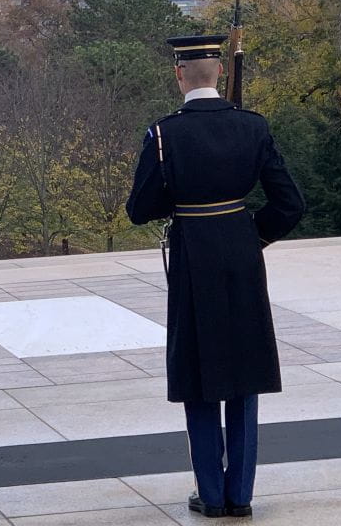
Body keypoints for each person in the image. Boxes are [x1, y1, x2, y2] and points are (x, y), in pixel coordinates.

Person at [126, 35, 304, 518]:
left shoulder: (165, 134)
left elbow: (140, 209)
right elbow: (291, 203)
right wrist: (252, 237)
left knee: (198, 372)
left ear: (179, 74)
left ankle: (211, 492)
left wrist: (179, 197)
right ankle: (240, 495)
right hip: (242, 256)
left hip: (193, 256)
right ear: (220, 73)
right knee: (244, 373)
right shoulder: (253, 127)